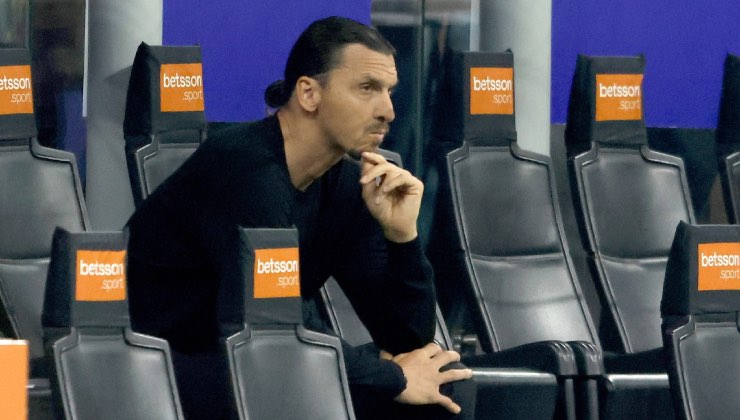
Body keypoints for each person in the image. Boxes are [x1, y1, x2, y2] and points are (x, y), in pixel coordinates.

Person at [125, 16, 474, 420]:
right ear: (309, 93)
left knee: (441, 382)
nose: (389, 111)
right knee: (386, 385)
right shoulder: (246, 172)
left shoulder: (349, 184)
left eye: (389, 92)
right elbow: (279, 328)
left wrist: (402, 237)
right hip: (166, 366)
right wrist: (393, 378)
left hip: (262, 357)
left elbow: (407, 339)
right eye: (367, 88)